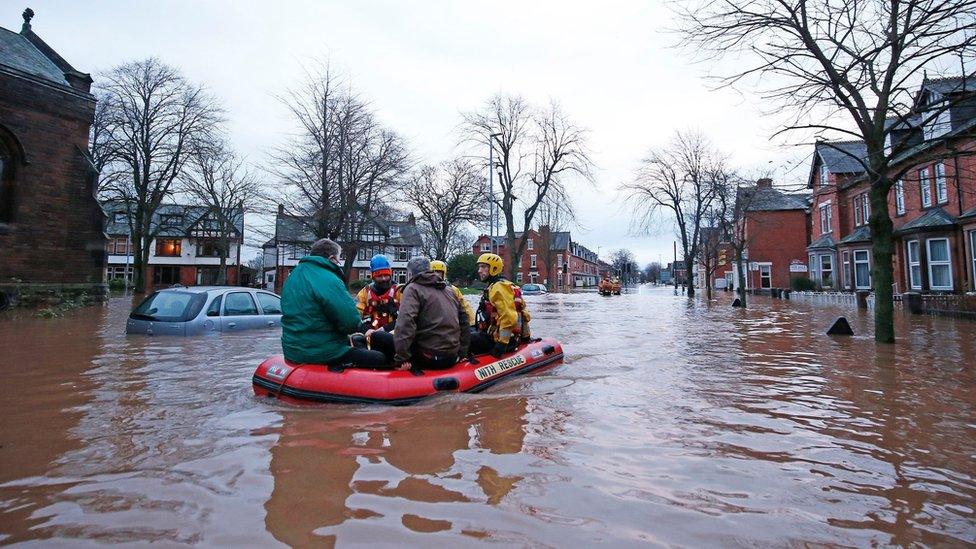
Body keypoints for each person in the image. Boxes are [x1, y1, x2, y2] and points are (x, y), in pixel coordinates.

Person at [280, 238, 388, 368]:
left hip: (291, 350)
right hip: (319, 351)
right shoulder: (329, 279)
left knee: (356, 341)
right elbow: (349, 321)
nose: (339, 263)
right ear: (331, 258)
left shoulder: (293, 276)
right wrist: (364, 329)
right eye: (338, 259)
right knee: (378, 358)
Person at [382, 257, 470, 371]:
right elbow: (464, 320)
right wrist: (462, 352)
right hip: (452, 356)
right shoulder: (449, 290)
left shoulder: (412, 289)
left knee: (379, 337)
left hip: (429, 357)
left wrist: (402, 359)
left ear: (410, 274)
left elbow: (405, 324)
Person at [469, 253, 531, 358]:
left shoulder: (498, 288)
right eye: (479, 267)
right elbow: (524, 313)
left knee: (463, 337)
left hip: (501, 342)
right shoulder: (507, 285)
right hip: (510, 339)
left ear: (494, 268)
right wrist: (526, 337)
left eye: (483, 267)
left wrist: (501, 345)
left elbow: (509, 317)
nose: (479, 270)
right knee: (469, 330)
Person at [356, 254, 399, 332]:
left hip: (394, 335)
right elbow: (357, 315)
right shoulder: (365, 293)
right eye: (379, 276)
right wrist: (366, 330)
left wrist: (385, 329)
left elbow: (407, 317)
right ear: (373, 276)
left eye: (386, 275)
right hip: (370, 334)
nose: (383, 279)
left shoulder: (399, 291)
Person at [430, 259, 475, 327]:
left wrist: (472, 322)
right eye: (434, 272)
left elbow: (465, 306)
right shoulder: (425, 289)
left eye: (439, 272)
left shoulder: (453, 290)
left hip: (449, 324)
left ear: (443, 274)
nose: (436, 275)